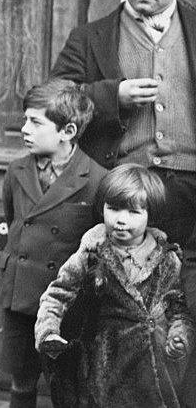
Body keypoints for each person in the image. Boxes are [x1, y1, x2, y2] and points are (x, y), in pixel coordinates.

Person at [50, 0, 196, 404]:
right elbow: (54, 103)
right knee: (112, 314)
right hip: (120, 196)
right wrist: (111, 94)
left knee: (180, 311)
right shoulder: (91, 38)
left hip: (190, 195)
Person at [35, 164, 194, 407]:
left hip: (154, 375)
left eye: (133, 212)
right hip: (104, 372)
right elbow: (58, 294)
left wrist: (179, 335)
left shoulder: (167, 258)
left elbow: (176, 307)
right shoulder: (92, 255)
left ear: (151, 214)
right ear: (103, 208)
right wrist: (48, 332)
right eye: (113, 208)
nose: (120, 220)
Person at [0, 78, 107, 408]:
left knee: (70, 383)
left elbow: (98, 245)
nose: (24, 129)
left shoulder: (98, 179)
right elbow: (13, 223)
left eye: (35, 122)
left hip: (66, 303)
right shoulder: (16, 171)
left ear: (68, 131)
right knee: (21, 378)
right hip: (20, 296)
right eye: (24, 119)